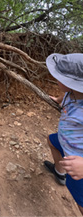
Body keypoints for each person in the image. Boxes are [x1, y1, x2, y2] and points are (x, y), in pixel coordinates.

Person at [44, 53, 83, 215]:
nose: (55, 79)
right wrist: (58, 100)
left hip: (78, 162)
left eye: (60, 77)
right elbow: (66, 96)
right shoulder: (72, 93)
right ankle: (59, 172)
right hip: (65, 142)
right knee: (51, 141)